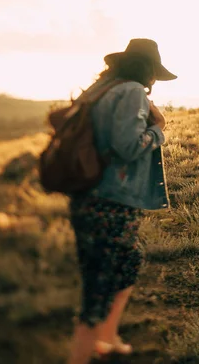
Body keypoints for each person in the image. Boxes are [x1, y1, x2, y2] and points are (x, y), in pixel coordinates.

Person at [67, 38, 177, 364]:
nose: (155, 80)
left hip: (87, 196)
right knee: (100, 284)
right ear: (146, 70)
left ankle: (107, 338)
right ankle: (81, 355)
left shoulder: (99, 89)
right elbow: (128, 147)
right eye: (154, 72)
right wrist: (159, 130)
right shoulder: (130, 92)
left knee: (123, 264)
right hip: (111, 201)